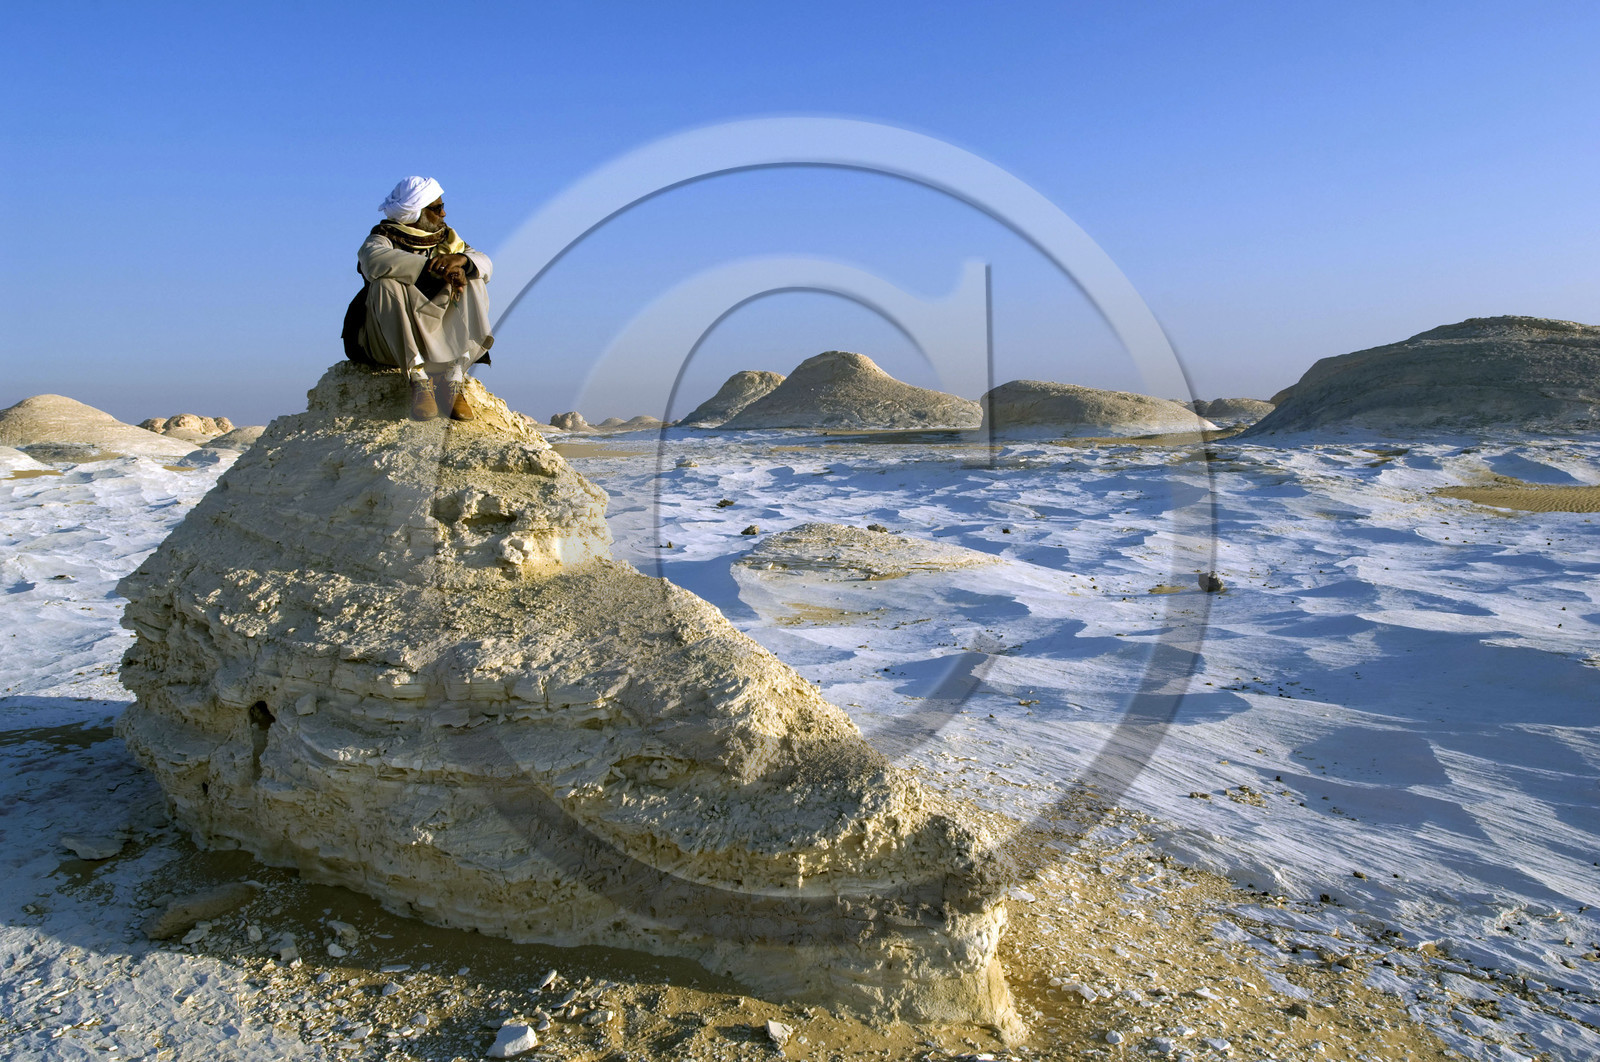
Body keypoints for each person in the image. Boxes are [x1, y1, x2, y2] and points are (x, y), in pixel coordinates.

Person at [344, 177, 494, 420]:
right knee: (385, 283)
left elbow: (485, 263)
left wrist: (461, 262)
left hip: (443, 340)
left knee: (473, 278)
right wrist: (432, 268)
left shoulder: (449, 242)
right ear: (416, 212)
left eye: (442, 206)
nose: (443, 214)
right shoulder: (382, 238)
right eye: (436, 208)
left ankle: (453, 378)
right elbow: (372, 260)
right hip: (390, 343)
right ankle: (418, 380)